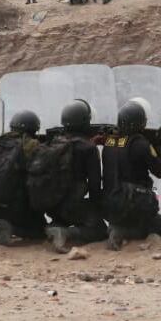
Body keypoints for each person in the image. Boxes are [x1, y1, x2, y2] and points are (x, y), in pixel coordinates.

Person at [35, 100, 108, 253]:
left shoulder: (53, 143)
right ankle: (67, 233)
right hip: (73, 205)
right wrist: (98, 208)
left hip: (52, 204)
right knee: (100, 230)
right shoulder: (88, 148)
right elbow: (95, 186)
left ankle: (56, 227)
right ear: (85, 122)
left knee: (67, 214)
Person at [101, 101, 161, 249]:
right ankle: (122, 232)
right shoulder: (140, 144)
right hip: (133, 201)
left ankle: (117, 228)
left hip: (111, 203)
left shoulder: (108, 143)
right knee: (156, 224)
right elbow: (159, 172)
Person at [0, 111, 46, 245]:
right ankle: (11, 229)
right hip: (16, 205)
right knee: (40, 232)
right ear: (33, 128)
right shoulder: (30, 145)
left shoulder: (1, 143)